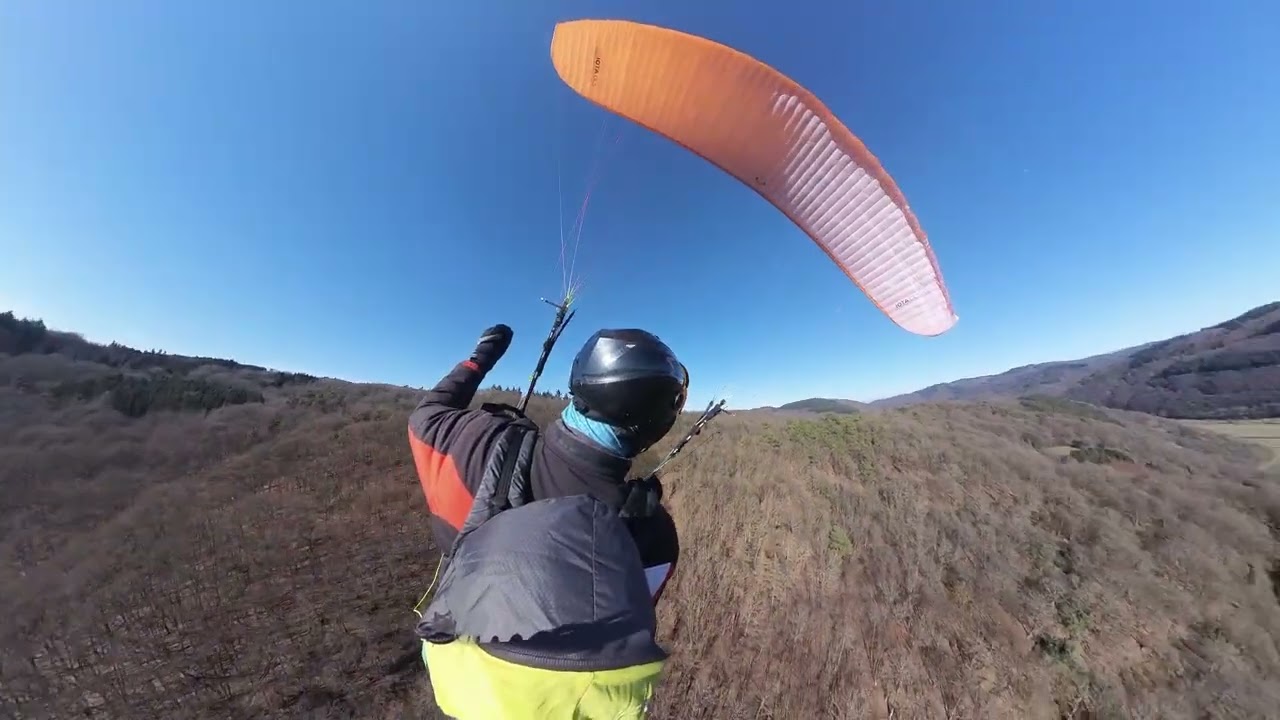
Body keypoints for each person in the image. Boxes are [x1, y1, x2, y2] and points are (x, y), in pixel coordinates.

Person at [406, 323, 688, 719]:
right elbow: (625, 625)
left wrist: (482, 357)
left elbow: (426, 414)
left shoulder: (468, 442)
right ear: (656, 425)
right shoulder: (653, 537)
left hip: (457, 680)